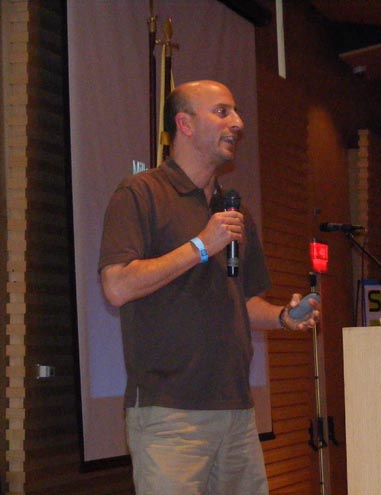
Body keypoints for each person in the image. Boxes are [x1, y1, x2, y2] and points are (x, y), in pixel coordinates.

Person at [98, 80, 320, 495]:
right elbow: (116, 286)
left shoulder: (233, 211)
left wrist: (284, 317)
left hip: (236, 411)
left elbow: (242, 301)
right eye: (222, 112)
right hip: (170, 414)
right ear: (184, 124)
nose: (237, 123)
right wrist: (201, 246)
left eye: (236, 112)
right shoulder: (141, 193)